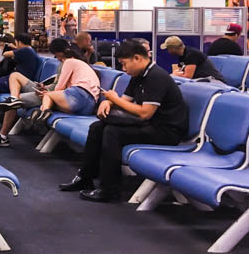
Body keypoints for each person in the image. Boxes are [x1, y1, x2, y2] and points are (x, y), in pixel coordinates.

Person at [60, 39, 188, 202]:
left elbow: (145, 113)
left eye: (124, 64)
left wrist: (114, 99)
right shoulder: (138, 76)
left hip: (167, 131)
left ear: (137, 58)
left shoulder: (156, 77)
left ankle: (109, 189)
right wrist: (108, 102)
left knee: (113, 132)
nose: (123, 69)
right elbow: (124, 100)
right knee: (97, 127)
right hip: (150, 125)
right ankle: (85, 177)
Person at [161, 36, 225, 82]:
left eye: (168, 48)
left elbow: (187, 77)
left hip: (213, 81)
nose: (168, 51)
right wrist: (173, 75)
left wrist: (173, 76)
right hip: (202, 81)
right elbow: (180, 72)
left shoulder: (191, 55)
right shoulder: (182, 55)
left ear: (173, 48)